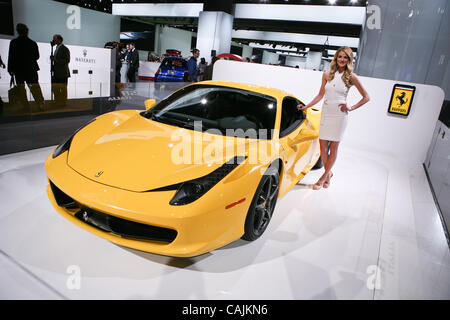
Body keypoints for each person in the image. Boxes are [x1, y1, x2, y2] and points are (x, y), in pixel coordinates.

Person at [297, 46, 370, 190]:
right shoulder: (327, 74)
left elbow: (366, 97)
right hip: (326, 113)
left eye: (345, 57)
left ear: (349, 60)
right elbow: (320, 95)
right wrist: (306, 106)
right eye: (340, 56)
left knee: (334, 148)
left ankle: (322, 178)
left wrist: (351, 107)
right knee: (323, 147)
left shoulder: (352, 77)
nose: (342, 60)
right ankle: (328, 173)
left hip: (339, 116)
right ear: (336, 58)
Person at [7, 23, 45, 111]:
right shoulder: (32, 43)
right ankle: (40, 104)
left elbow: (11, 57)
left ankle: (25, 106)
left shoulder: (14, 42)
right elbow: (37, 56)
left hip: (18, 69)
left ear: (17, 31)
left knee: (21, 89)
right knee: (35, 88)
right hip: (31, 69)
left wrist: (10, 69)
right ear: (27, 31)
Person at [51, 34, 70, 107]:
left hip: (62, 73)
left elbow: (67, 60)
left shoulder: (64, 48)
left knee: (63, 89)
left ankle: (63, 103)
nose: (53, 41)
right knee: (56, 88)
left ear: (59, 40)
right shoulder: (56, 48)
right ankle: (58, 101)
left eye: (54, 39)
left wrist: (55, 60)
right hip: (56, 72)